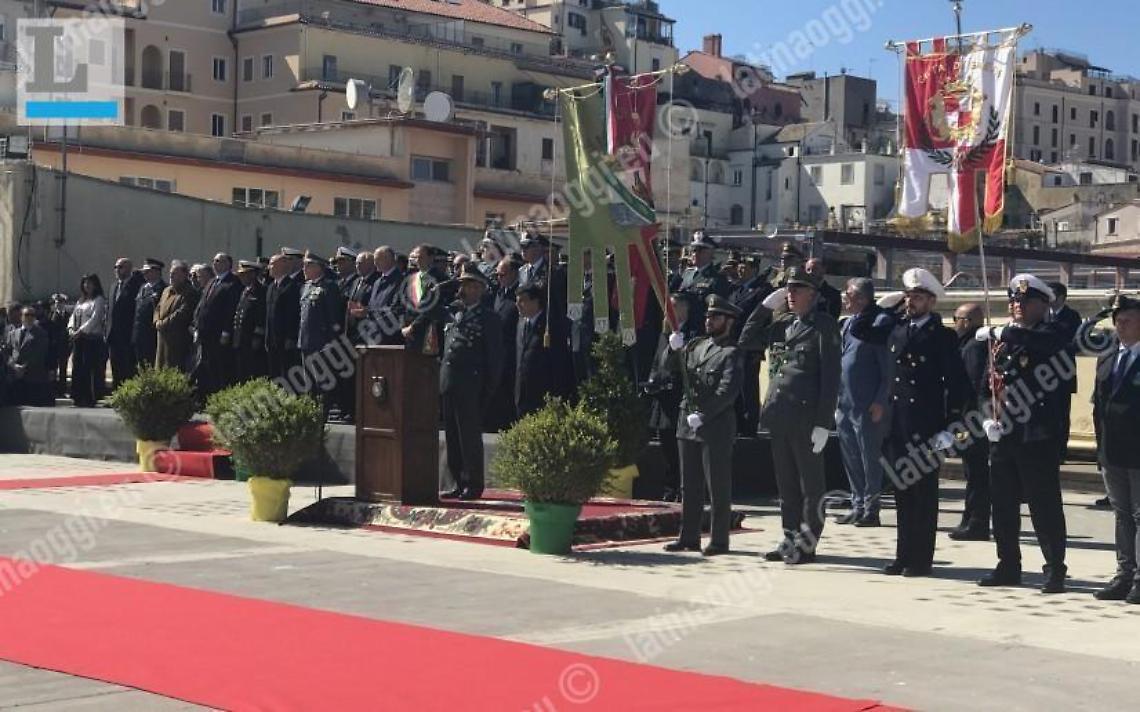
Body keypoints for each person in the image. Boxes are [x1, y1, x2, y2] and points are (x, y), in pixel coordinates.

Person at [975, 275, 1071, 594]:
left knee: (1044, 506)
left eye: (1025, 301)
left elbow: (1046, 345)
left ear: (1043, 305)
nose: (1018, 306)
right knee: (1002, 505)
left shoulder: (1053, 332)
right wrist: (988, 416)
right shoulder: (1004, 342)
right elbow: (989, 381)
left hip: (1037, 434)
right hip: (1005, 431)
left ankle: (1055, 568)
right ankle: (1008, 564)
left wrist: (1005, 331)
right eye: (1014, 301)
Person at [738, 267, 841, 564]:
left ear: (813, 294)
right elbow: (747, 339)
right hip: (779, 416)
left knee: (811, 486)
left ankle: (807, 544)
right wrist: (764, 307)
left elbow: (831, 378)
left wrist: (824, 422)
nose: (791, 295)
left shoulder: (824, 327)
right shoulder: (783, 325)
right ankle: (789, 537)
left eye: (797, 289)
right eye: (788, 290)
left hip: (807, 419)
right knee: (786, 485)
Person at [876, 268, 969, 578]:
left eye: (917, 297)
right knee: (902, 493)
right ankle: (903, 554)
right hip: (897, 424)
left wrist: (952, 426)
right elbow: (862, 328)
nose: (910, 301)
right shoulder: (897, 330)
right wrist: (881, 307)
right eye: (908, 296)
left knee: (924, 496)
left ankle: (921, 559)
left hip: (927, 426)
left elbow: (957, 384)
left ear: (931, 301)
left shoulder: (942, 337)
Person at [663, 294, 744, 556]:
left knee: (717, 485)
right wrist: (672, 347)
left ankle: (719, 540)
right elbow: (670, 368)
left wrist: (704, 416)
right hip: (687, 422)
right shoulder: (697, 345)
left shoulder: (731, 352)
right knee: (690, 485)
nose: (709, 320)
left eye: (716, 317)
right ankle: (688, 537)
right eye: (708, 316)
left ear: (729, 321)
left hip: (714, 426)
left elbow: (727, 392)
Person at [1087, 295, 1140, 604]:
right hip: (1112, 451)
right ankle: (1124, 573)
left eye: (1128, 321)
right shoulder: (1108, 356)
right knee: (1122, 515)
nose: (1120, 326)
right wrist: (1100, 449)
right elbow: (1099, 408)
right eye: (1117, 321)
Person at [835, 277, 894, 527]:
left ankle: (872, 509)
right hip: (845, 403)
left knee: (869, 458)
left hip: (868, 404)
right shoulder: (847, 323)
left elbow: (888, 369)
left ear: (861, 298)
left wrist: (880, 400)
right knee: (850, 456)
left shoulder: (878, 323)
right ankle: (857, 503)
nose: (844, 299)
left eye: (847, 294)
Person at [440, 268, 503, 501]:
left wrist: (487, 390)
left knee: (468, 438)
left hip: (471, 385)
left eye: (468, 285)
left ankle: (472, 484)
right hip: (449, 382)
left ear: (479, 289)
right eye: (462, 285)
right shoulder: (455, 313)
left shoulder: (488, 318)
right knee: (452, 437)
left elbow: (495, 359)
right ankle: (456, 481)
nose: (462, 289)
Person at [645, 292, 701, 501]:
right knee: (666, 446)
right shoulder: (665, 333)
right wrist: (652, 380)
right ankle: (670, 488)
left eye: (673, 306)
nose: (668, 311)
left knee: (680, 450)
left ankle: (680, 489)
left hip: (679, 397)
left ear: (684, 309)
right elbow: (657, 361)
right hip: (663, 398)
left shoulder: (694, 333)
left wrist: (678, 347)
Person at [950, 303, 993, 541]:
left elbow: (972, 385)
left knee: (976, 473)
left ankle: (977, 522)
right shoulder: (969, 343)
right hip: (970, 418)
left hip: (972, 420)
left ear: (966, 321)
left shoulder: (974, 346)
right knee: (971, 471)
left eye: (956, 318)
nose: (954, 322)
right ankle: (970, 518)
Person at [514, 283, 569, 420]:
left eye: (522, 300)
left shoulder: (549, 326)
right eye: (517, 301)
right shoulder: (521, 324)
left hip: (542, 394)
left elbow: (558, 363)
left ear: (535, 301)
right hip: (522, 394)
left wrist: (556, 397)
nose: (518, 304)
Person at [729, 255, 771, 435]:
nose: (740, 268)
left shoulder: (761, 291)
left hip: (750, 348)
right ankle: (738, 423)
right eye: (739, 265)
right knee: (734, 387)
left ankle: (749, 425)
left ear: (754, 269)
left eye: (745, 266)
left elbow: (761, 320)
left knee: (748, 388)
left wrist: (758, 346)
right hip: (732, 346)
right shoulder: (736, 290)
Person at [299, 251, 346, 409]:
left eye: (307, 265)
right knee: (309, 383)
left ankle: (321, 417)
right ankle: (311, 414)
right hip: (306, 341)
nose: (304, 269)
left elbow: (334, 318)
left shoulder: (329, 287)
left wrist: (331, 341)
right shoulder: (306, 287)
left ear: (318, 267)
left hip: (322, 343)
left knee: (322, 384)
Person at [192, 253, 241, 401]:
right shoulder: (212, 282)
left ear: (228, 264)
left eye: (218, 261)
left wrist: (226, 332)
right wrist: (196, 327)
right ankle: (204, 398)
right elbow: (202, 306)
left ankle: (219, 399)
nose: (214, 263)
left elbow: (230, 309)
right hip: (205, 333)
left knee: (218, 368)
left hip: (218, 334)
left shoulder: (232, 283)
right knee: (205, 367)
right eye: (213, 260)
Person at [486, 257, 521, 431]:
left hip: (511, 353)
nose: (499, 278)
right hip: (495, 352)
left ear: (514, 273)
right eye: (497, 275)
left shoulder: (519, 294)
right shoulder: (498, 293)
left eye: (503, 274)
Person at [400, 245, 449, 356]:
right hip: (409, 334)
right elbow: (404, 305)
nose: (417, 261)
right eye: (416, 258)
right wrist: (403, 326)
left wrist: (413, 327)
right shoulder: (412, 278)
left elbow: (432, 308)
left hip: (428, 333)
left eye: (421, 257)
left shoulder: (440, 278)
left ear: (431, 258)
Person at [67, 274, 108, 407]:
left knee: (89, 369)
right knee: (77, 367)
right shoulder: (81, 301)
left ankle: (90, 397)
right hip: (79, 340)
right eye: (85, 283)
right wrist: (71, 329)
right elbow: (73, 316)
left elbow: (95, 319)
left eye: (90, 283)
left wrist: (81, 331)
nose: (87, 286)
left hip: (92, 340)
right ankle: (78, 396)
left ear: (95, 285)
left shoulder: (99, 300)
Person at [677, 231, 730, 329]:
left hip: (700, 329)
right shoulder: (687, 273)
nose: (695, 253)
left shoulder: (718, 279)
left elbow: (717, 311)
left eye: (699, 250)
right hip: (682, 329)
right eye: (693, 250)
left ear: (710, 253)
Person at [154, 261, 199, 372]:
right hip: (162, 338)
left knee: (174, 369)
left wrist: (163, 324)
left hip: (177, 341)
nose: (171, 276)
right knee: (160, 368)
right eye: (170, 273)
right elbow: (158, 308)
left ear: (184, 275)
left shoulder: (190, 292)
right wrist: (156, 321)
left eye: (174, 273)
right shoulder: (166, 290)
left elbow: (182, 313)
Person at [107, 258, 144, 389]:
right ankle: (116, 396)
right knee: (115, 368)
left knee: (127, 368)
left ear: (129, 269)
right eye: (116, 267)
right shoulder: (113, 287)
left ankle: (127, 395)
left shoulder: (136, 286)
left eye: (121, 267)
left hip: (127, 335)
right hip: (113, 335)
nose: (117, 270)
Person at [265, 252, 303, 380]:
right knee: (274, 373)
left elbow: (292, 315)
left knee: (286, 373)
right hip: (272, 339)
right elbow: (269, 315)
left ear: (282, 265)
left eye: (272, 264)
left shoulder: (291, 287)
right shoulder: (271, 287)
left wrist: (291, 338)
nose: (269, 267)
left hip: (284, 339)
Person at [5, 307, 52, 406]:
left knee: (30, 406)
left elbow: (40, 353)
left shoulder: (41, 334)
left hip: (32, 376)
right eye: (27, 315)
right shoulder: (12, 333)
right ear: (21, 317)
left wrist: (23, 367)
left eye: (32, 315)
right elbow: (7, 352)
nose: (30, 318)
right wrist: (14, 366)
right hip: (14, 376)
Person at [232, 260, 268, 383]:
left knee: (251, 373)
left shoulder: (261, 291)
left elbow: (261, 317)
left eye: (244, 274)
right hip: (241, 339)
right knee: (240, 373)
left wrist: (257, 338)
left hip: (251, 339)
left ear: (252, 274)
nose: (241, 277)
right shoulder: (245, 291)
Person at [363, 246, 405, 345]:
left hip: (389, 337)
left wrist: (368, 311)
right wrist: (362, 309)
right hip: (373, 334)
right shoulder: (377, 281)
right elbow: (373, 304)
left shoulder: (400, 280)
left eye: (377, 259)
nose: (375, 263)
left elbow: (396, 309)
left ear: (388, 259)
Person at [132, 258, 166, 370]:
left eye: (147, 271)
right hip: (139, 334)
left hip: (152, 335)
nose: (144, 274)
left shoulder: (163, 289)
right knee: (140, 366)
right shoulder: (143, 288)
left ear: (156, 271)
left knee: (151, 365)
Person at [48, 294, 72, 397]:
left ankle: (62, 390)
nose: (59, 304)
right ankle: (53, 390)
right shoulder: (51, 315)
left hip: (64, 347)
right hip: (54, 348)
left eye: (61, 302)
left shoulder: (68, 315)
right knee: (53, 370)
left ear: (64, 303)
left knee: (63, 370)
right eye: (57, 302)